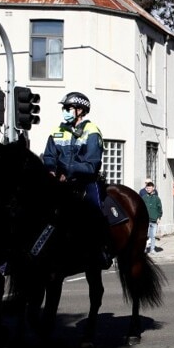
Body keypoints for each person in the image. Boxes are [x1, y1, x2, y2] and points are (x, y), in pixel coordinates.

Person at [42, 91, 111, 267]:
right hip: (59, 181)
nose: (64, 111)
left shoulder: (92, 131)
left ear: (80, 110)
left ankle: (101, 249)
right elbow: (49, 155)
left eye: (68, 108)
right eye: (64, 108)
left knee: (94, 207)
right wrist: (50, 170)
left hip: (85, 180)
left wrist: (68, 171)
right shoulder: (57, 131)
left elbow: (92, 164)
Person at [140, 180, 163, 254]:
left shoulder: (156, 198)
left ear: (153, 188)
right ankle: (144, 249)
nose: (148, 189)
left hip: (154, 220)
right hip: (145, 220)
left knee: (152, 236)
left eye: (150, 188)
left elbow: (160, 208)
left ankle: (152, 249)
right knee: (145, 236)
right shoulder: (143, 197)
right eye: (147, 188)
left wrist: (159, 217)